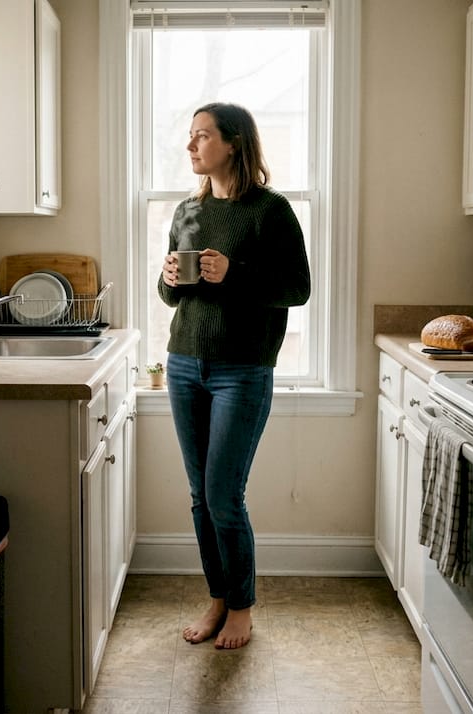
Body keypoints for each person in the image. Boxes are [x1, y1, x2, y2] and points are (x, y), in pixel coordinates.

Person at [157, 102, 311, 650]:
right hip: (183, 362)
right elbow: (171, 293)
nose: (192, 146)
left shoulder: (269, 211)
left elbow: (297, 288)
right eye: (191, 136)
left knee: (225, 496)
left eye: (203, 136)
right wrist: (171, 277)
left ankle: (242, 608)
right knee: (199, 496)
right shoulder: (186, 212)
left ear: (234, 144)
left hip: (242, 371)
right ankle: (218, 598)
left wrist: (234, 272)